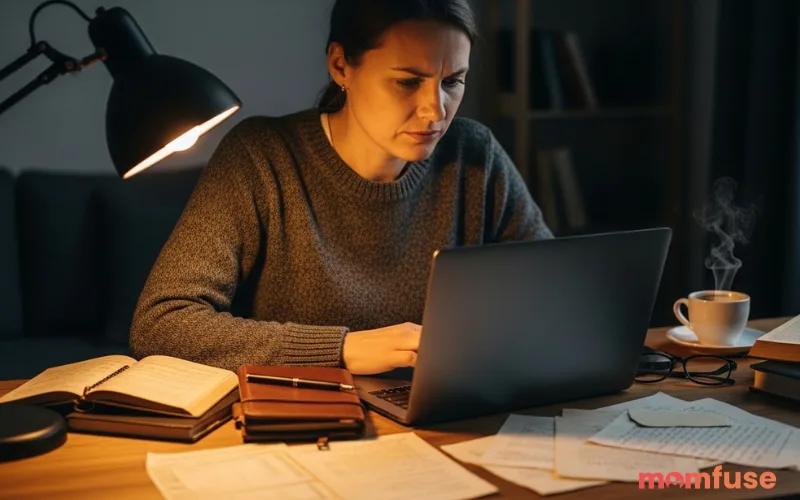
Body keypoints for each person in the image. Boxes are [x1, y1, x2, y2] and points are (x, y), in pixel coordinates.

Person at [129, 0, 553, 376]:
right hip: (306, 427)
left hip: (446, 415)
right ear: (341, 65)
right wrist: (342, 348)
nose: (435, 110)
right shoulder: (262, 156)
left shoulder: (473, 153)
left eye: (452, 82)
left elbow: (555, 292)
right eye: (408, 81)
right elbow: (161, 323)